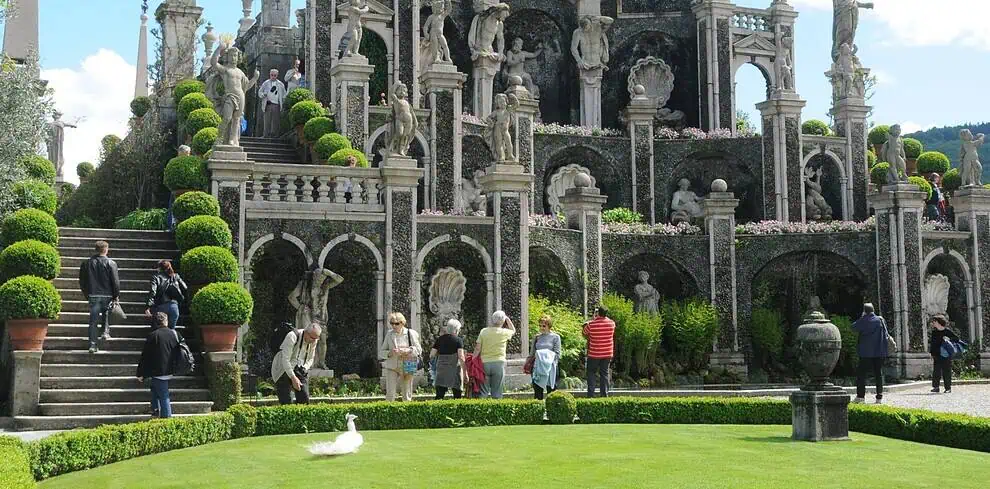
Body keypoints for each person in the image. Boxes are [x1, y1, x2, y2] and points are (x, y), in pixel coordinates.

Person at [78, 240, 120, 353]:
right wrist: (116, 295)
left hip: (93, 294)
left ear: (95, 249)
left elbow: (82, 281)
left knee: (93, 321)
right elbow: (115, 281)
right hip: (107, 294)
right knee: (106, 312)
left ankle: (93, 344)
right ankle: (105, 332)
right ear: (106, 250)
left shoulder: (87, 263)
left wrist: (87, 294)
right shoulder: (111, 263)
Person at [137, 312, 179, 418]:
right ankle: (155, 409)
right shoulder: (174, 334)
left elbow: (145, 356)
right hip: (170, 368)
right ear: (166, 321)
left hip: (157, 370)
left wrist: (140, 373)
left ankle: (166, 418)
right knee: (155, 387)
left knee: (163, 395)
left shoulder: (153, 335)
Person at [271, 322, 322, 405]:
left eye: (316, 338)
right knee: (286, 402)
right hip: (282, 369)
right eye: (312, 338)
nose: (314, 341)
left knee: (304, 400)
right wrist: (293, 377)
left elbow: (310, 358)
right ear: (306, 332)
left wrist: (305, 368)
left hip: (299, 368)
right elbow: (285, 360)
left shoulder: (314, 340)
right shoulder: (292, 336)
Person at [379, 312, 423, 402]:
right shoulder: (389, 334)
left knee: (407, 393)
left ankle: (407, 409)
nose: (394, 326)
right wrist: (390, 353)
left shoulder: (411, 333)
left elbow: (419, 350)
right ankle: (389, 409)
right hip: (392, 366)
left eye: (396, 323)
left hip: (408, 364)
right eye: (391, 323)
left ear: (402, 323)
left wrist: (408, 350)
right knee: (390, 394)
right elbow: (381, 352)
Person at [851, 302, 888, 404]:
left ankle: (860, 397)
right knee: (878, 374)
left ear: (864, 311)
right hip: (879, 352)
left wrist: (862, 317)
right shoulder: (880, 320)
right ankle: (879, 398)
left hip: (865, 353)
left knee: (861, 375)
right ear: (873, 310)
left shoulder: (863, 320)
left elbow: (853, 327)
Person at [475, 310, 516, 399]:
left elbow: (478, 348)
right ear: (503, 321)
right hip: (499, 363)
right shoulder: (504, 332)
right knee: (497, 392)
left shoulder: (484, 331)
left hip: (484, 363)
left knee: (483, 392)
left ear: (492, 320)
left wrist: (473, 359)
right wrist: (507, 319)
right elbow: (513, 330)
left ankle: (481, 406)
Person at [144, 260, 188, 330]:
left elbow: (153, 292)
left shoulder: (156, 277)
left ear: (159, 268)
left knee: (159, 330)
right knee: (171, 330)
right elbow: (185, 288)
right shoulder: (176, 276)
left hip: (160, 306)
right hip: (174, 307)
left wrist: (148, 306)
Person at [583, 306, 615, 398]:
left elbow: (584, 333)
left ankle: (590, 395)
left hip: (594, 353)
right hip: (607, 353)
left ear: (598, 313)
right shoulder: (612, 323)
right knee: (604, 373)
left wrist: (592, 320)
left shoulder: (591, 324)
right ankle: (604, 395)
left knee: (591, 373)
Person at [431, 318, 466, 400]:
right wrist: (465, 372)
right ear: (456, 330)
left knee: (439, 395)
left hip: (441, 369)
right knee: (457, 395)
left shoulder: (440, 339)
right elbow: (461, 357)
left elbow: (432, 354)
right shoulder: (458, 340)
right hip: (454, 369)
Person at [528, 315, 561, 400]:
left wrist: (545, 357)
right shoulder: (537, 337)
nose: (541, 328)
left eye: (544, 326)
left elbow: (557, 354)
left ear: (549, 326)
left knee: (552, 393)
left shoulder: (556, 337)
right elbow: (532, 354)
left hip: (551, 368)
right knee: (538, 393)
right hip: (538, 368)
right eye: (540, 326)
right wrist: (528, 363)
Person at [929, 314, 959, 394]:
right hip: (937, 354)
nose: (933, 323)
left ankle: (948, 388)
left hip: (946, 355)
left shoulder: (947, 331)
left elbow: (956, 339)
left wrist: (949, 338)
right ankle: (936, 387)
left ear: (939, 322)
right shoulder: (934, 332)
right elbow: (932, 344)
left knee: (947, 371)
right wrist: (931, 353)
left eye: (934, 321)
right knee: (936, 371)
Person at [257, 68, 286, 138]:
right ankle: (265, 135)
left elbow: (284, 95)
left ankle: (275, 136)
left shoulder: (280, 84)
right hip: (268, 104)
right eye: (272, 75)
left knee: (276, 121)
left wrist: (283, 102)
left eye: (275, 75)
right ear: (269, 75)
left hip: (276, 104)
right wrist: (263, 95)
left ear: (277, 75)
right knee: (267, 120)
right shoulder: (266, 83)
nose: (273, 77)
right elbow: (260, 92)